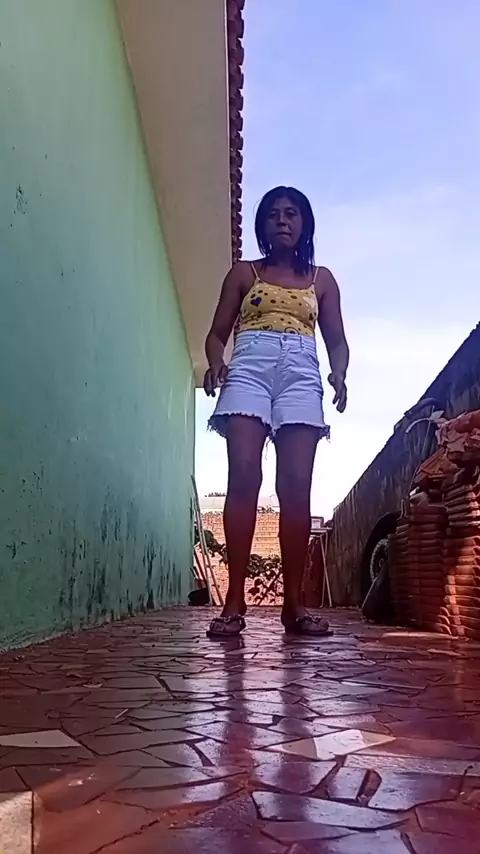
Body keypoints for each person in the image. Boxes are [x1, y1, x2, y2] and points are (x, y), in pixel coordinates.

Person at [203, 186, 349, 637]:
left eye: (291, 214)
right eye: (272, 215)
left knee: (296, 487)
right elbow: (216, 334)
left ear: (304, 224)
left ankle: (294, 606)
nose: (282, 221)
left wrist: (339, 373)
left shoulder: (322, 280)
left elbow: (336, 341)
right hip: (249, 368)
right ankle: (233, 601)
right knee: (245, 476)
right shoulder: (243, 274)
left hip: (301, 375)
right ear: (262, 226)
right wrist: (216, 362)